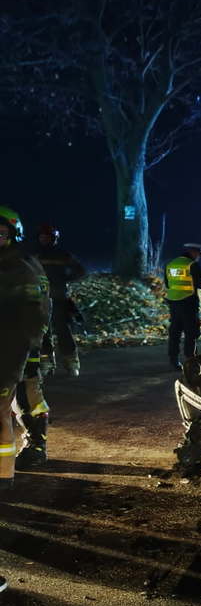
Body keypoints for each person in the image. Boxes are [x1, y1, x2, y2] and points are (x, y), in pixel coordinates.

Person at [0, 206, 51, 490]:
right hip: (16, 346)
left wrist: (35, 349)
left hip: (17, 347)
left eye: (0, 233)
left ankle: (34, 447)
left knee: (28, 397)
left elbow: (38, 311)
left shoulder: (22, 267)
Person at [35, 223, 88, 377]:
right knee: (43, 332)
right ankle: (47, 363)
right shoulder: (35, 257)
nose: (44, 240)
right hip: (41, 298)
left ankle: (71, 363)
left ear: (54, 239)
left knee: (62, 330)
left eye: (47, 237)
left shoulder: (63, 255)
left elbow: (81, 270)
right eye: (42, 237)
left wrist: (65, 279)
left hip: (58, 298)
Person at [164, 242, 201, 370]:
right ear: (193, 252)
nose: (200, 256)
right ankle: (191, 361)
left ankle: (174, 360)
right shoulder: (192, 265)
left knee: (175, 333)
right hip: (188, 303)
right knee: (191, 333)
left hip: (174, 304)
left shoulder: (171, 264)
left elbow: (168, 284)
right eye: (199, 253)